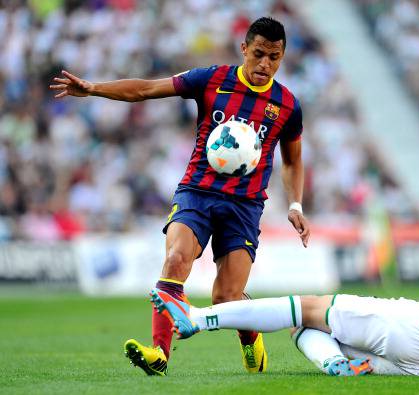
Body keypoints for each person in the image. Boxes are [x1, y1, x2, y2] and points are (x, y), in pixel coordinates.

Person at [50, 17, 310, 376]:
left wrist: (295, 204)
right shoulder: (211, 79)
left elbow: (293, 161)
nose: (265, 64)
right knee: (175, 260)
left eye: (275, 57)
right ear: (244, 49)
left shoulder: (287, 105)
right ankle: (159, 353)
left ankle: (250, 338)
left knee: (227, 299)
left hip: (245, 205)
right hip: (197, 193)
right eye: (260, 54)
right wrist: (93, 88)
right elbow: (145, 90)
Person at [150, 233, 419, 378]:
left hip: (418, 329)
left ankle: (197, 318)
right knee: (307, 331)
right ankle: (333, 365)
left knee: (306, 308)